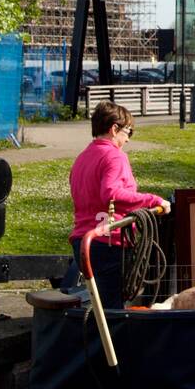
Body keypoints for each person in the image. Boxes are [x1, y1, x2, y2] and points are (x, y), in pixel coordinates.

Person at [63, 101, 170, 307]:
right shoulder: (114, 155)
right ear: (114, 129)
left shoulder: (82, 158)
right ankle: (107, 339)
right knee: (111, 310)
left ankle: (95, 338)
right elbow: (111, 194)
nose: (128, 139)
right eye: (129, 131)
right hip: (108, 242)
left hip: (83, 242)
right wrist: (153, 200)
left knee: (99, 307)